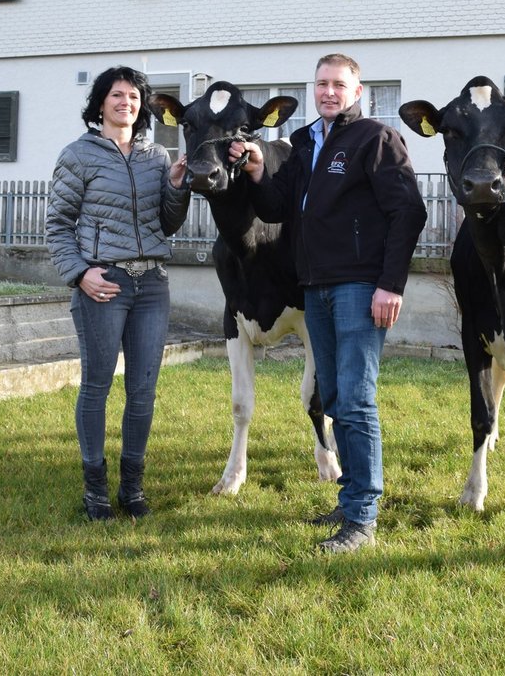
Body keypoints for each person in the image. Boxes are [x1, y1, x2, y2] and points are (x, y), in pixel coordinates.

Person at [230, 54, 427, 553]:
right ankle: (351, 497)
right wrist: (256, 172)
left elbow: (409, 210)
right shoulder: (303, 143)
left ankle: (361, 518)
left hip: (361, 287)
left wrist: (391, 284)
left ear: (357, 91)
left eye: (340, 84)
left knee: (357, 400)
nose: (329, 92)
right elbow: (277, 209)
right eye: (322, 84)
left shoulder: (375, 140)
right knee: (335, 398)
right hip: (314, 287)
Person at [47, 66, 190, 521]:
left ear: (142, 105)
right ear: (100, 103)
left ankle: (132, 489)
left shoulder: (158, 157)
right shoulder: (78, 155)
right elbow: (57, 225)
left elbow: (168, 224)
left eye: (132, 95)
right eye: (116, 94)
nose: (124, 102)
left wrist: (176, 187)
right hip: (103, 282)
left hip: (152, 284)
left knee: (143, 391)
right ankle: (96, 493)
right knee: (97, 385)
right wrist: (79, 274)